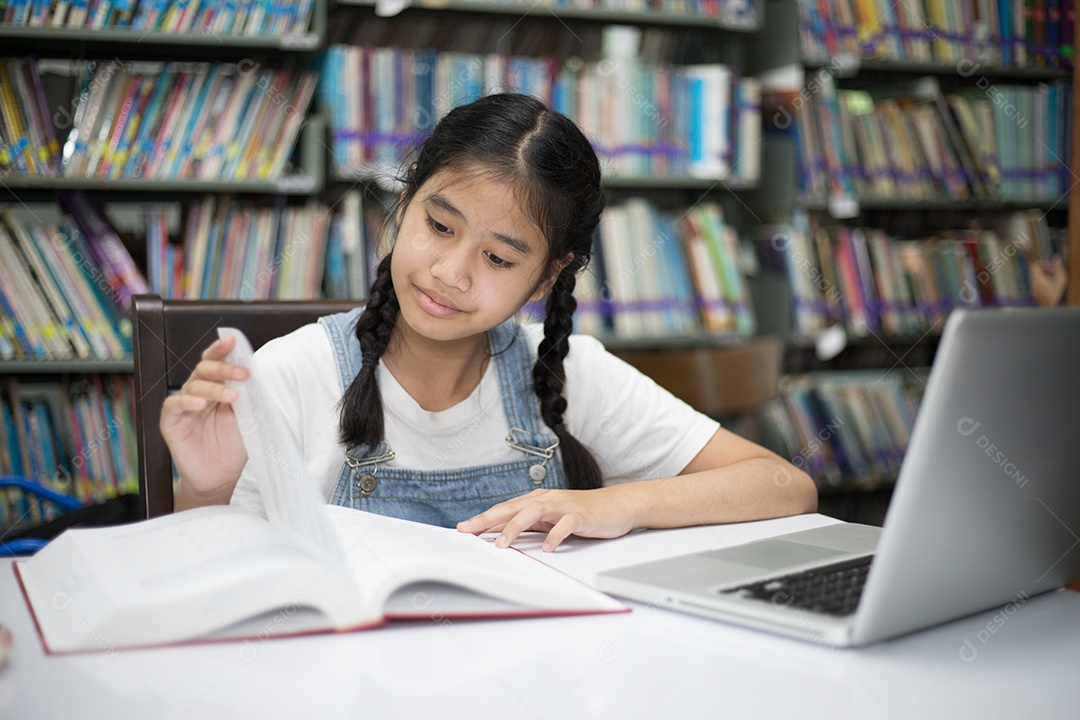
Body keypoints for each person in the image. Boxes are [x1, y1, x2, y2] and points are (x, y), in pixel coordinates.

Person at [160, 93, 817, 552]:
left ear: (549, 274)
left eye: (499, 257)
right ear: (408, 194)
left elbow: (787, 485)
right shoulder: (295, 371)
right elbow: (209, 576)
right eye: (438, 225)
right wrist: (204, 487)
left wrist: (617, 504)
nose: (451, 270)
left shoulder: (565, 372)